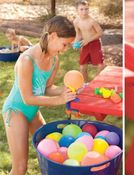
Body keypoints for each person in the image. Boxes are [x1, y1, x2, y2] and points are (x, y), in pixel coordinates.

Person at [2, 16, 76, 175]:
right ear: (53, 36)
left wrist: (65, 90)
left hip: (33, 112)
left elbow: (47, 88)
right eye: (65, 44)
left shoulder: (54, 59)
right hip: (16, 111)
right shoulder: (27, 60)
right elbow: (27, 98)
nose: (65, 50)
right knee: (20, 168)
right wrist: (59, 100)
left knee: (51, 152)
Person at [73, 0, 104, 83]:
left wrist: (88, 40)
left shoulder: (92, 21)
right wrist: (76, 42)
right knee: (82, 67)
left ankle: (97, 82)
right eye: (81, 9)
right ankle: (86, 84)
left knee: (100, 65)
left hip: (95, 44)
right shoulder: (76, 21)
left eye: (86, 9)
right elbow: (78, 34)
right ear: (77, 10)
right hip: (85, 44)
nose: (84, 11)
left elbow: (100, 32)